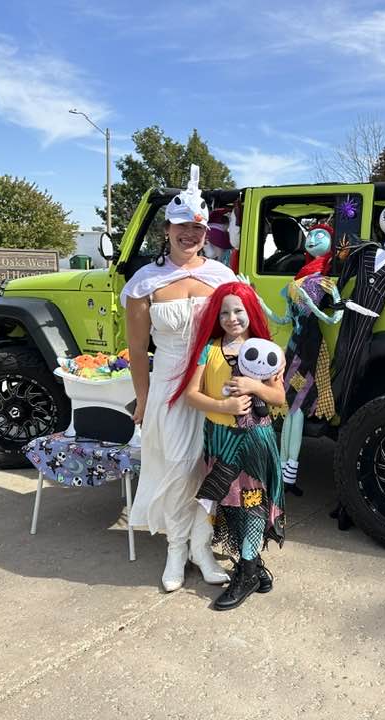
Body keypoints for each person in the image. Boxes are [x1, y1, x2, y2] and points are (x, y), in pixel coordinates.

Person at [121, 166, 237, 592]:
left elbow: (239, 333)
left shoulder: (223, 278)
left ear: (207, 233)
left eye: (198, 228)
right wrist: (141, 397)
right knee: (175, 468)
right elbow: (136, 349)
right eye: (182, 226)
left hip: (213, 383)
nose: (190, 234)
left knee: (212, 468)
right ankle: (175, 548)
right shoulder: (145, 283)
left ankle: (202, 546)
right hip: (169, 384)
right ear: (167, 230)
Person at [174, 282, 286, 611]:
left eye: (238, 310)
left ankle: (248, 570)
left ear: (250, 312)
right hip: (220, 440)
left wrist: (254, 386)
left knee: (251, 503)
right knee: (228, 504)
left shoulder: (267, 350)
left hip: (254, 441)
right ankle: (252, 563)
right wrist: (224, 408)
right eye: (224, 312)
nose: (231, 317)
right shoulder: (209, 351)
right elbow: (192, 394)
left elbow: (280, 398)